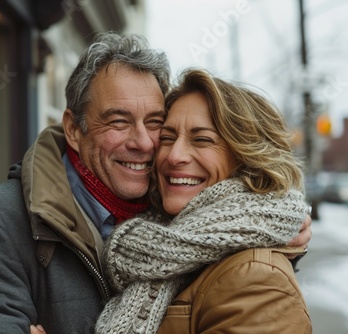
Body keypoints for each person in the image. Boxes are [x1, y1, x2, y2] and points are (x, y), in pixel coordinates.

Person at [0, 33, 311, 334]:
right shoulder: (1, 222)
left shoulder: (188, 227)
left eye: (155, 123)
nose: (146, 143)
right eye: (119, 121)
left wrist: (270, 236)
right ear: (74, 129)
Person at [94, 68, 312, 334]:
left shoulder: (257, 278)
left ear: (247, 159)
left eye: (202, 140)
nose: (174, 156)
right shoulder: (159, 244)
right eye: (167, 138)